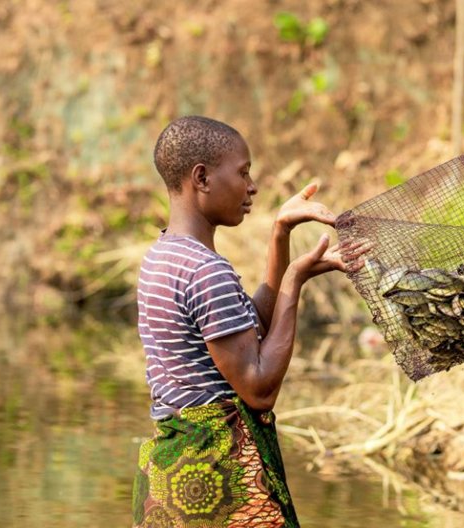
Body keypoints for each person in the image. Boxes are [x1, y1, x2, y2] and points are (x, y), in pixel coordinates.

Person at [131, 116, 363, 527]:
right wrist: (294, 280)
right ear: (201, 178)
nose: (252, 186)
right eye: (242, 173)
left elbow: (247, 327)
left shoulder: (163, 256)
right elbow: (258, 390)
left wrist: (280, 234)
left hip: (174, 480)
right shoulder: (205, 271)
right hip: (223, 482)